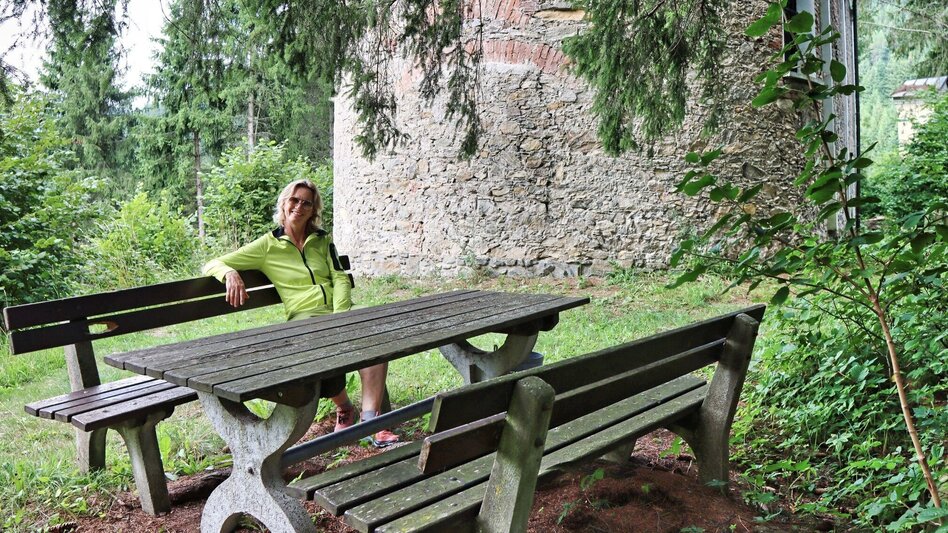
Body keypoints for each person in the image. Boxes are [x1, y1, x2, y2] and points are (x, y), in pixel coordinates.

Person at [202, 178, 398, 447]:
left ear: (313, 209)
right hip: (305, 318)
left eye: (307, 202)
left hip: (339, 310)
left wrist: (341, 313)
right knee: (325, 355)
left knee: (375, 333)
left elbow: (339, 277)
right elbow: (213, 262)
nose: (299, 206)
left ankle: (372, 423)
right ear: (284, 203)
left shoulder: (321, 239)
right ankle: (345, 408)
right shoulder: (267, 246)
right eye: (294, 200)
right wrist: (230, 273)